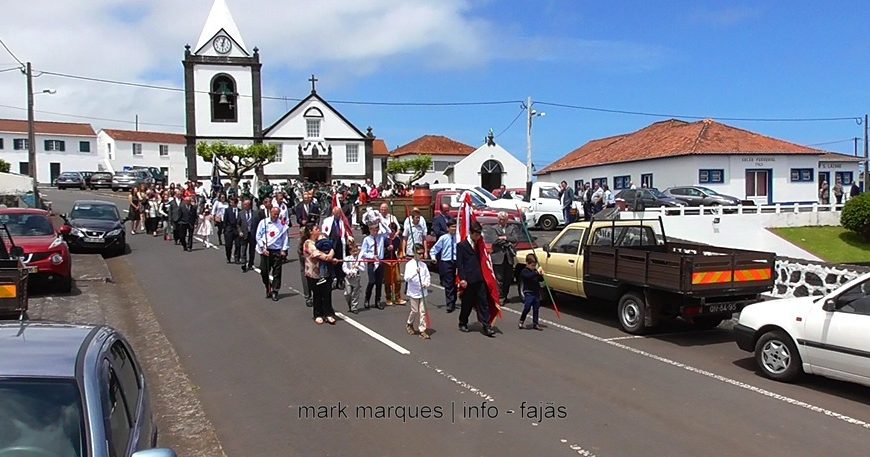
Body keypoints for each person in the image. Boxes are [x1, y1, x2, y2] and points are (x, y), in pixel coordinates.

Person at [457, 221, 496, 337]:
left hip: (480, 278)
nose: (478, 237)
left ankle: (486, 325)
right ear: (471, 233)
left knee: (483, 303)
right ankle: (463, 322)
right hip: (469, 280)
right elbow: (460, 264)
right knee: (467, 304)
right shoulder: (462, 246)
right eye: (476, 235)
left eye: (479, 235)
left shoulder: (480, 245)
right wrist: (462, 279)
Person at [303, 223, 339, 324]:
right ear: (311, 231)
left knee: (327, 293)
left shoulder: (321, 241)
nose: (319, 230)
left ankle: (328, 313)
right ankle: (318, 314)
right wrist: (330, 256)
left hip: (325, 272)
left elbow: (330, 250)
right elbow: (318, 254)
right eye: (316, 229)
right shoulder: (308, 243)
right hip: (313, 274)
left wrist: (331, 254)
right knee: (317, 294)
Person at [256, 207, 290, 301]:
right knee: (264, 271)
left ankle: (275, 291)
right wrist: (262, 248)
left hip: (277, 250)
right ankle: (268, 286)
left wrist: (284, 249)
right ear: (270, 213)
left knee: (277, 272)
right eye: (274, 214)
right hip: (266, 250)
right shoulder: (263, 223)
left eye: (277, 214)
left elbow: (285, 238)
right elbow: (258, 236)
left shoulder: (282, 225)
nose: (275, 216)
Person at [404, 243, 432, 339]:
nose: (421, 255)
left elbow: (427, 276)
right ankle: (409, 323)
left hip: (423, 291)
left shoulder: (423, 265)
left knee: (423, 311)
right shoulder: (409, 265)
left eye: (422, 253)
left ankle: (422, 330)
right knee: (415, 311)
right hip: (413, 292)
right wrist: (415, 273)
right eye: (419, 253)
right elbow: (406, 278)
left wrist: (426, 283)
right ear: (414, 253)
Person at [430, 219, 457, 313]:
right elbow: (434, 249)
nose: (454, 229)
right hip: (446, 262)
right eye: (452, 227)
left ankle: (455, 299)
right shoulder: (444, 238)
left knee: (456, 282)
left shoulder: (459, 237)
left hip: (457, 262)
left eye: (455, 226)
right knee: (449, 283)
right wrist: (433, 257)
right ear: (448, 228)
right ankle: (450, 304)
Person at [491, 212, 518, 305]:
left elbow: (515, 239)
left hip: (508, 257)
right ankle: (500, 297)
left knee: (507, 278)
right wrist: (507, 242)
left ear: (506, 220)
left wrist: (505, 237)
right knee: (499, 278)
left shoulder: (511, 228)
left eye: (503, 219)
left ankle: (505, 296)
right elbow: (494, 240)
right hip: (498, 257)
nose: (501, 220)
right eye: (500, 219)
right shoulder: (494, 228)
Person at [321, 206, 349, 289]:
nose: (338, 215)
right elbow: (324, 232)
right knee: (331, 262)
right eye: (336, 213)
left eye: (339, 213)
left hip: (340, 244)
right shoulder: (327, 221)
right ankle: (333, 278)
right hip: (331, 244)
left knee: (340, 261)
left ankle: (341, 279)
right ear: (333, 213)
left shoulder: (343, 221)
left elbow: (347, 231)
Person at [361, 223, 386, 310]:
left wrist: (381, 220)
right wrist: (372, 256)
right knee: (372, 281)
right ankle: (367, 299)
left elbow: (389, 231)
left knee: (379, 283)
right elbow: (363, 252)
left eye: (376, 230)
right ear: (370, 230)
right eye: (373, 230)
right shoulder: (367, 239)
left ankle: (377, 301)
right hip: (371, 262)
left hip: (380, 262)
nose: (375, 232)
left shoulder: (381, 238)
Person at [518, 253, 544, 330]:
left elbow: (540, 280)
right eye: (532, 265)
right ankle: (522, 320)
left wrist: (541, 275)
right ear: (527, 263)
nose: (533, 267)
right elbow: (528, 277)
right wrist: (536, 273)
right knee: (527, 307)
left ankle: (535, 323)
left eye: (534, 265)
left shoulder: (534, 271)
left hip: (536, 292)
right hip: (528, 292)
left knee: (536, 308)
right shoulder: (524, 271)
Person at [384, 222, 405, 305]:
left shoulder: (397, 240)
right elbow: (381, 252)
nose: (391, 233)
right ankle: (388, 298)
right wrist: (387, 249)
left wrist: (400, 256)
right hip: (386, 261)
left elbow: (400, 250)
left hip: (395, 261)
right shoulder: (385, 239)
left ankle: (397, 297)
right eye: (390, 231)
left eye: (393, 231)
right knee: (388, 281)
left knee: (398, 280)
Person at [342, 242, 365, 314]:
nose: (355, 252)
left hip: (356, 277)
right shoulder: (347, 258)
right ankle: (350, 304)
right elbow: (344, 267)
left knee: (355, 293)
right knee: (348, 293)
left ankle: (354, 307)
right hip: (348, 278)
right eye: (353, 251)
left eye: (356, 251)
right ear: (350, 252)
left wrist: (358, 266)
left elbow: (363, 269)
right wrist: (349, 272)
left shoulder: (359, 260)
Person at [238, 198, 258, 272]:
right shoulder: (241, 213)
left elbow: (258, 223)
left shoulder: (255, 213)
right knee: (243, 249)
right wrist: (240, 231)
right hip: (244, 234)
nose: (245, 206)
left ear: (250, 205)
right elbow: (238, 224)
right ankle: (243, 263)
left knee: (252, 250)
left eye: (246, 204)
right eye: (244, 204)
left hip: (252, 234)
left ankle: (250, 263)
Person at [223, 197, 242, 263]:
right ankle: (228, 257)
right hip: (229, 229)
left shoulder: (240, 211)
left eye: (232, 202)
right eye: (230, 202)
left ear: (236, 203)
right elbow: (225, 220)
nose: (231, 204)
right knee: (228, 245)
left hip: (237, 230)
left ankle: (237, 258)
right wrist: (225, 230)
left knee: (238, 245)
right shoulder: (227, 210)